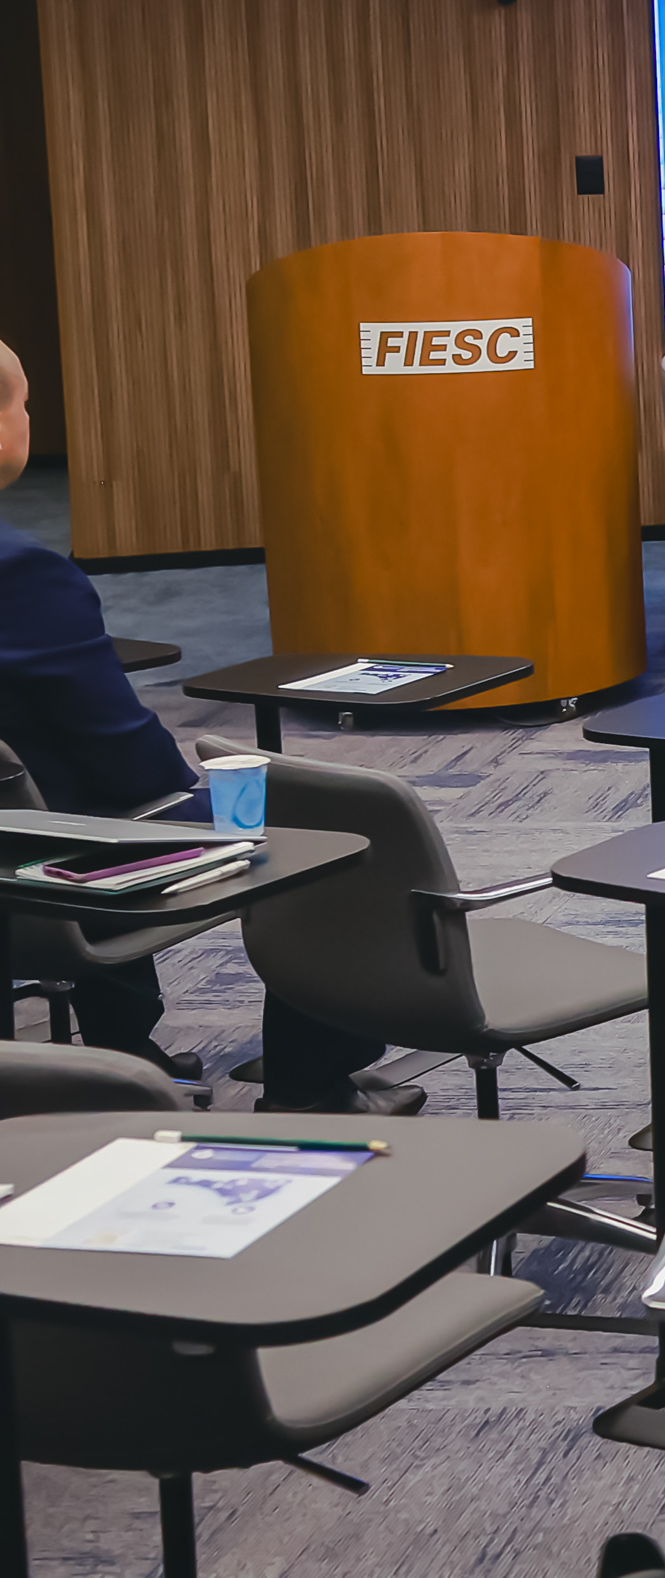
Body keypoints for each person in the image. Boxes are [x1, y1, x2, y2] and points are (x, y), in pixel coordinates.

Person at [0, 341, 414, 1107]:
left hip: (31, 830)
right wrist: (193, 791)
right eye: (24, 403)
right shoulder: (19, 572)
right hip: (40, 862)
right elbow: (129, 763)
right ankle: (312, 1091)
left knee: (66, 785)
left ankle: (122, 1049)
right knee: (348, 830)